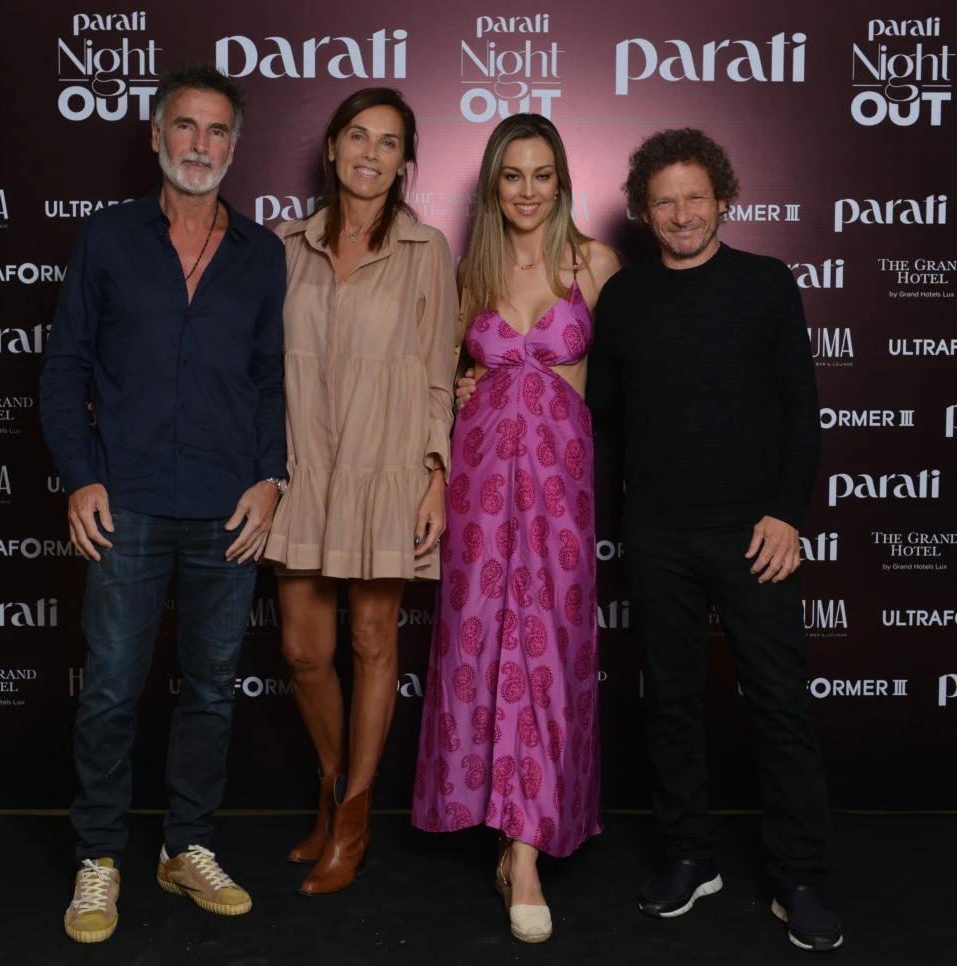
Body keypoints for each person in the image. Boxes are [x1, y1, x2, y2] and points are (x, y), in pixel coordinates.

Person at [40, 61, 286, 943]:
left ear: (235, 146)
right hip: (129, 502)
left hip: (228, 505)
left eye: (218, 131)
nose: (201, 145)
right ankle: (98, 858)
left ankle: (186, 847)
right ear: (155, 134)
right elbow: (66, 365)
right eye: (186, 126)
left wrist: (273, 476)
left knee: (212, 691)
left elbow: (268, 382)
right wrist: (81, 474)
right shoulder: (107, 239)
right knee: (110, 689)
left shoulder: (263, 255)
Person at [586, 128, 842, 952]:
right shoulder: (623, 299)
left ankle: (799, 876)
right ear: (643, 211)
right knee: (669, 703)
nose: (682, 213)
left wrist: (785, 515)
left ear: (722, 199)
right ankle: (690, 855)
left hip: (754, 534)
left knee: (779, 707)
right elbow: (602, 417)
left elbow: (802, 411)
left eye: (695, 196)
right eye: (664, 201)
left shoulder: (767, 284)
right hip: (657, 533)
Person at [412, 114, 620, 943]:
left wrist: (568, 381)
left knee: (548, 648)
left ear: (561, 181)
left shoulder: (593, 264)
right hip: (482, 490)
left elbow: (632, 376)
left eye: (541, 175)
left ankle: (527, 848)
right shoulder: (471, 272)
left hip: (561, 487)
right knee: (483, 646)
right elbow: (442, 371)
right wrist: (466, 390)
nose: (528, 191)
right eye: (512, 176)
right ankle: (505, 838)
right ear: (493, 184)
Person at [264, 87, 457, 896]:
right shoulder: (280, 246)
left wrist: (437, 475)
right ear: (333, 149)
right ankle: (332, 785)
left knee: (374, 641)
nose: (370, 154)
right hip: (304, 467)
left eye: (388, 142)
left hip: (386, 470)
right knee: (305, 652)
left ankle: (354, 820)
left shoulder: (426, 250)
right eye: (357, 137)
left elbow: (442, 378)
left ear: (404, 163)